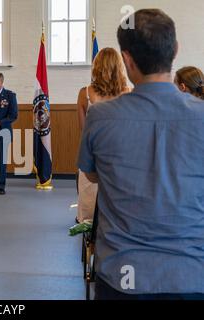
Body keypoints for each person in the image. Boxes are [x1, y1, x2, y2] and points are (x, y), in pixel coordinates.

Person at [78, 9, 204, 300]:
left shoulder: (99, 116)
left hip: (123, 278)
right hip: (192, 275)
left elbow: (91, 174)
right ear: (175, 50)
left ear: (127, 60)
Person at [76, 48, 130, 223]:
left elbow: (84, 132)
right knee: (119, 209)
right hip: (122, 156)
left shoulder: (85, 93)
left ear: (96, 67)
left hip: (93, 155)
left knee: (89, 213)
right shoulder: (128, 93)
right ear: (120, 67)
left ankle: (89, 241)